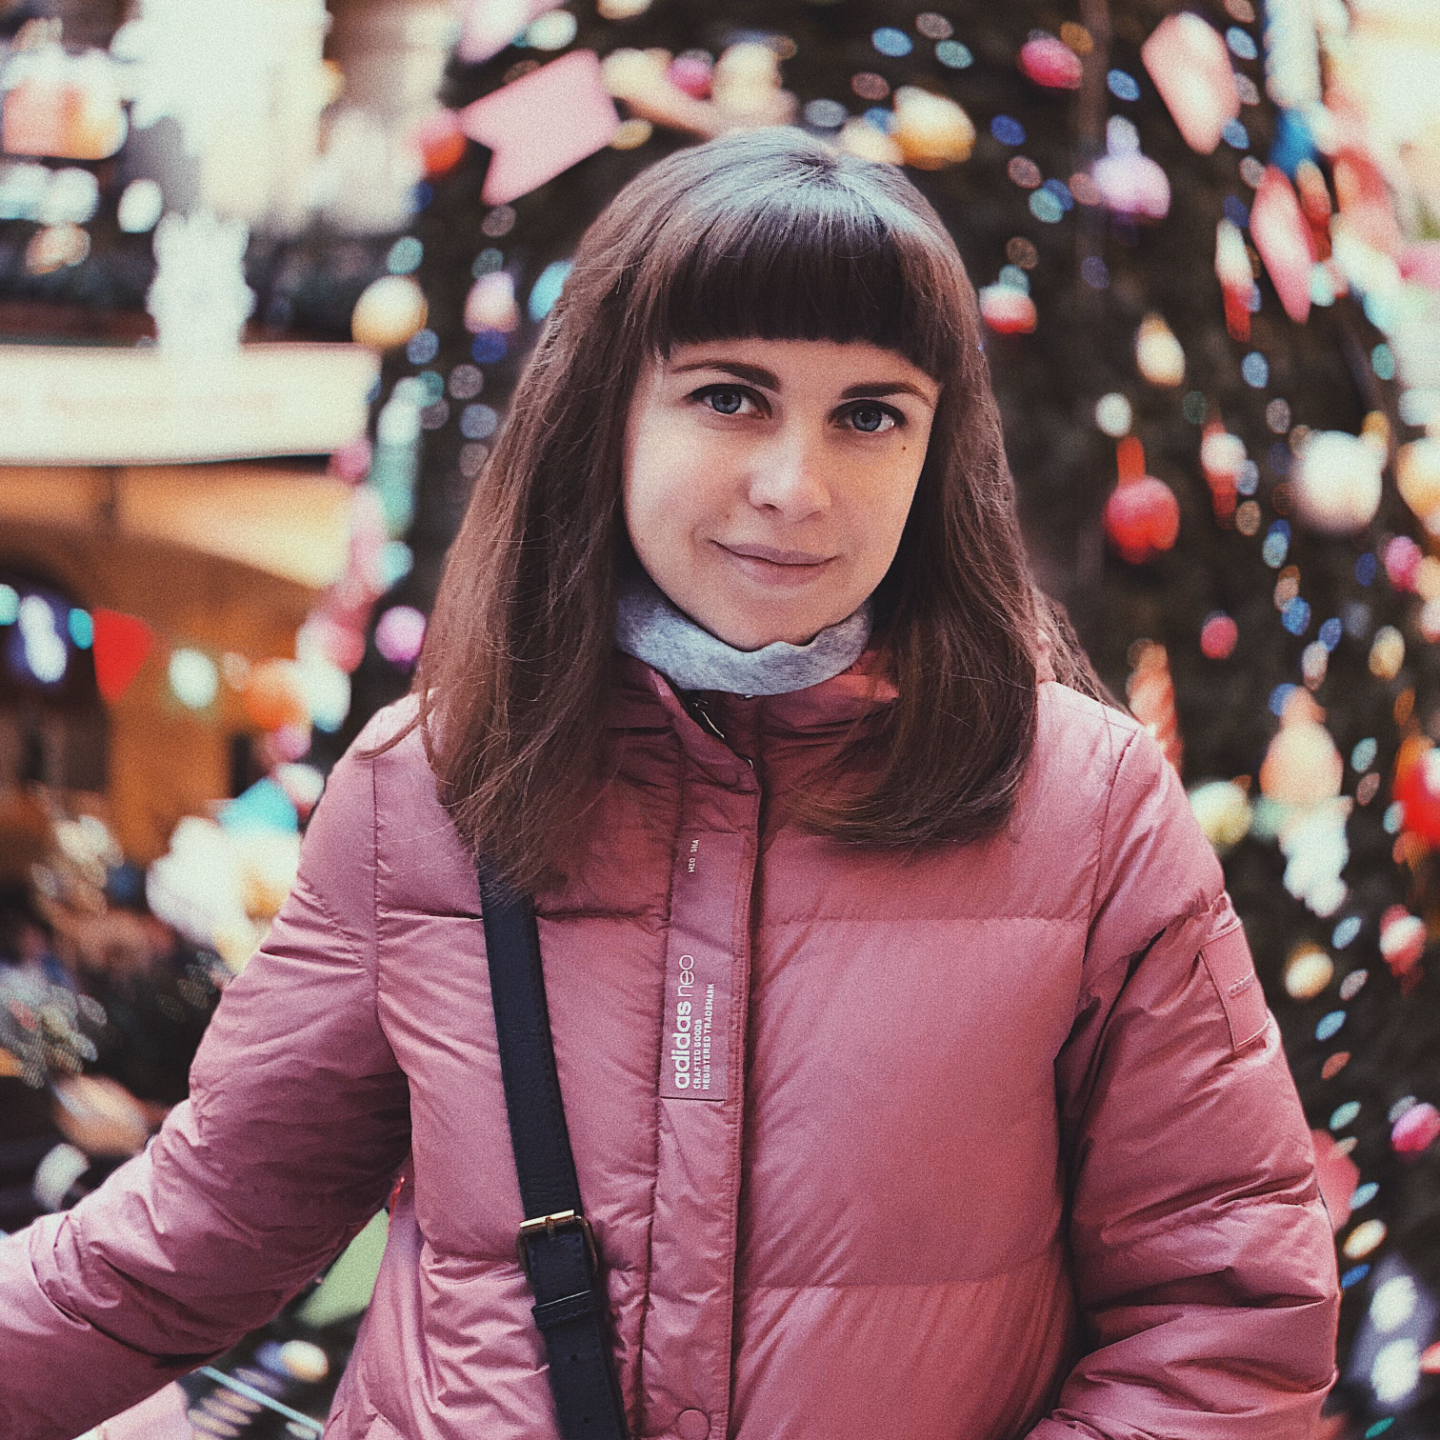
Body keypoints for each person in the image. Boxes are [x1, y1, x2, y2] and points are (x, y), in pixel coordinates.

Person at [0, 128, 1337, 1440]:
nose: (795, 485)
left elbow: (1227, 1319)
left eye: (870, 415)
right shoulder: (433, 788)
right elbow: (194, 1233)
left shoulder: (1086, 809)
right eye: (729, 396)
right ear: (609, 413)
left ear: (937, 454)